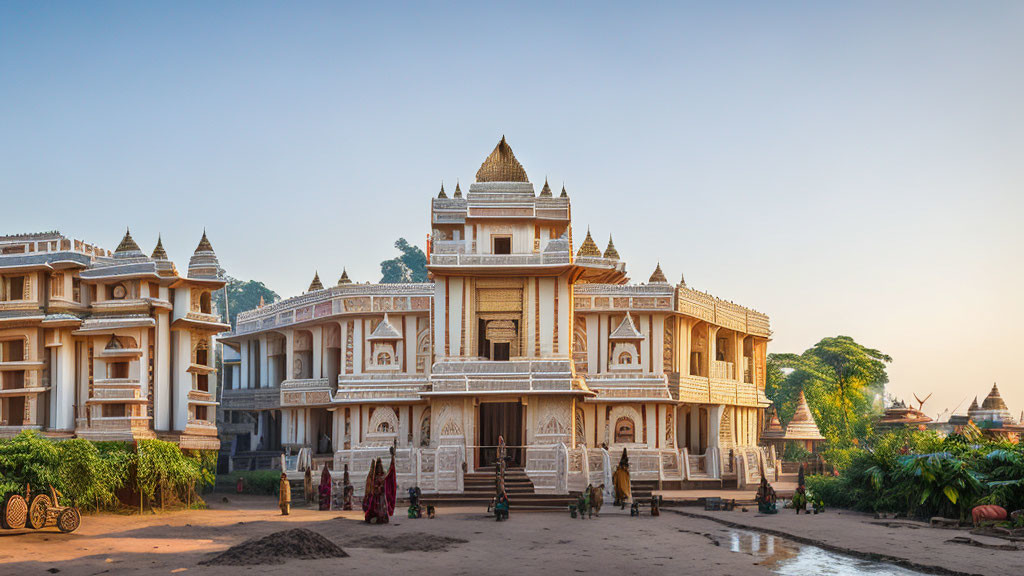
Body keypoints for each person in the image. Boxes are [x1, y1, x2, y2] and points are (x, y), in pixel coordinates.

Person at [363, 445, 398, 524]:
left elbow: (390, 474)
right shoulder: (373, 476)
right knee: (374, 511)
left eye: (380, 467)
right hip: (375, 496)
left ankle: (380, 518)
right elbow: (371, 484)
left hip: (381, 496)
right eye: (377, 467)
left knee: (382, 514)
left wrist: (392, 458)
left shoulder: (383, 475)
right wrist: (376, 488)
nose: (379, 468)